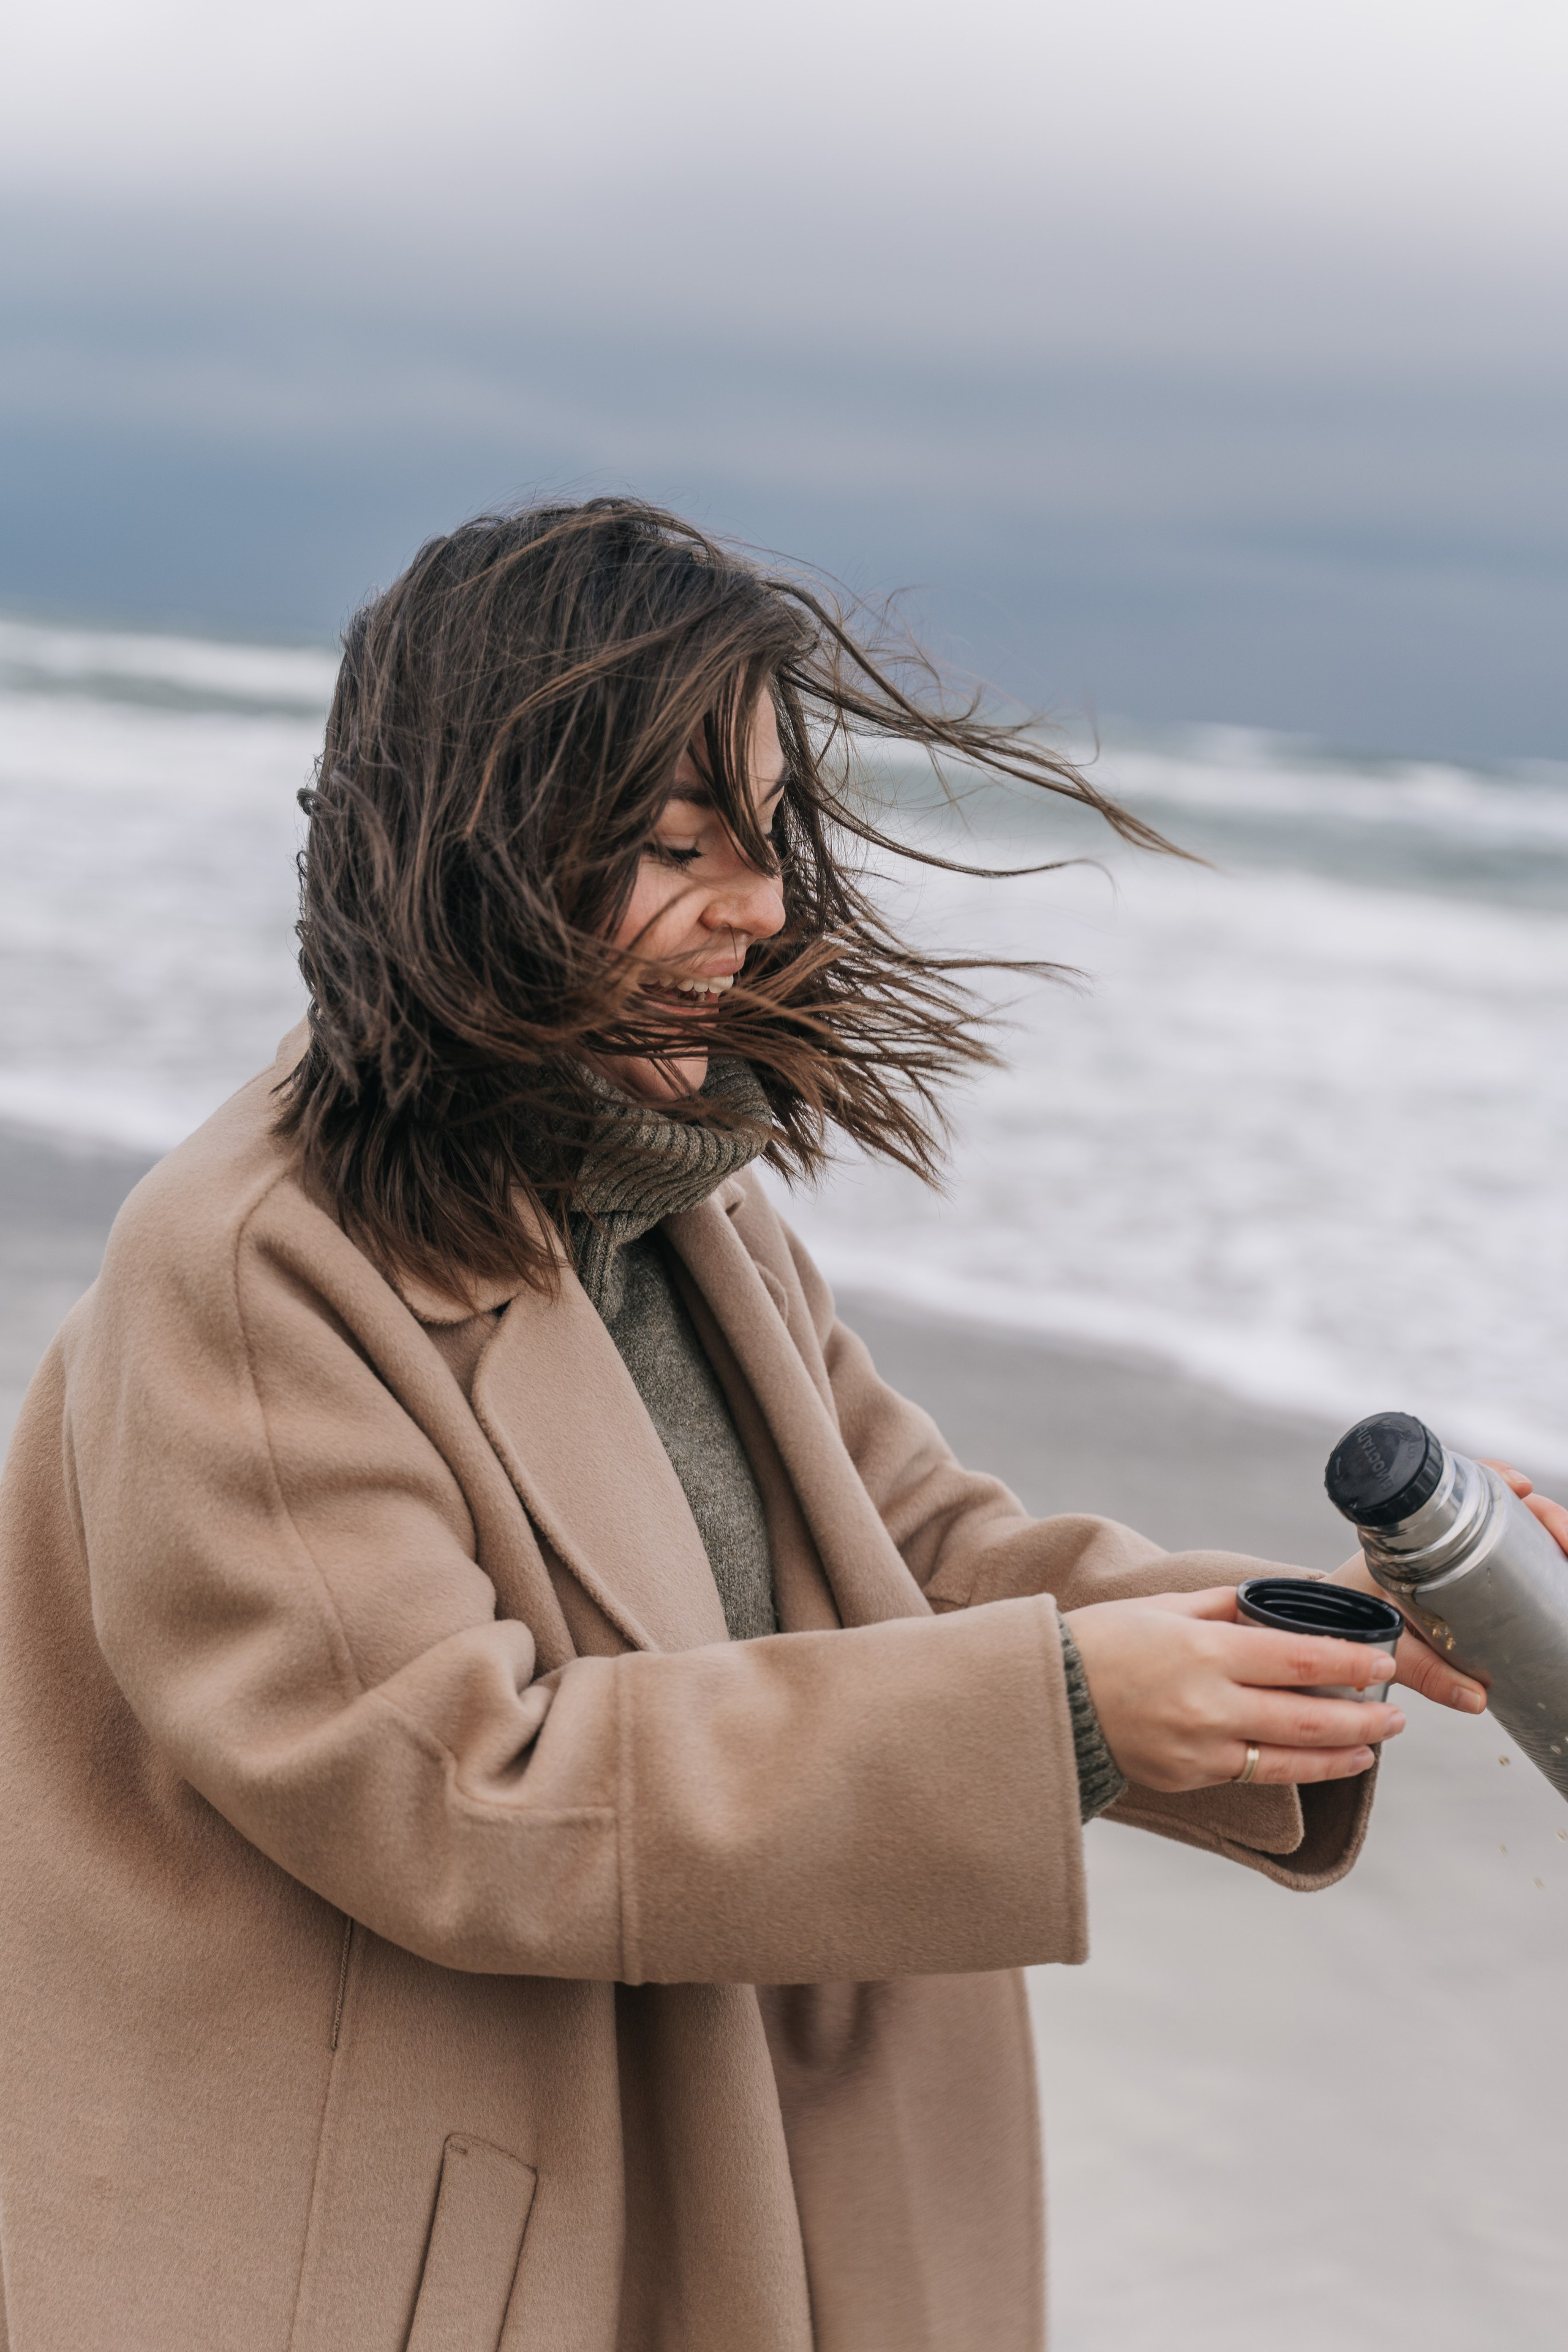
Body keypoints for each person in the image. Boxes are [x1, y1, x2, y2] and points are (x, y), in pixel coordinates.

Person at [0, 500, 1498, 2352]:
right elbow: (460, 1788)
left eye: (770, 837)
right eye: (675, 843)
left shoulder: (680, 1209)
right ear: (485, 840)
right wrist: (1068, 1716)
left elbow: (923, 1550)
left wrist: (1320, 1627)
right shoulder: (248, 1268)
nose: (766, 906)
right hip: (407, 2238)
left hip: (737, 2160)